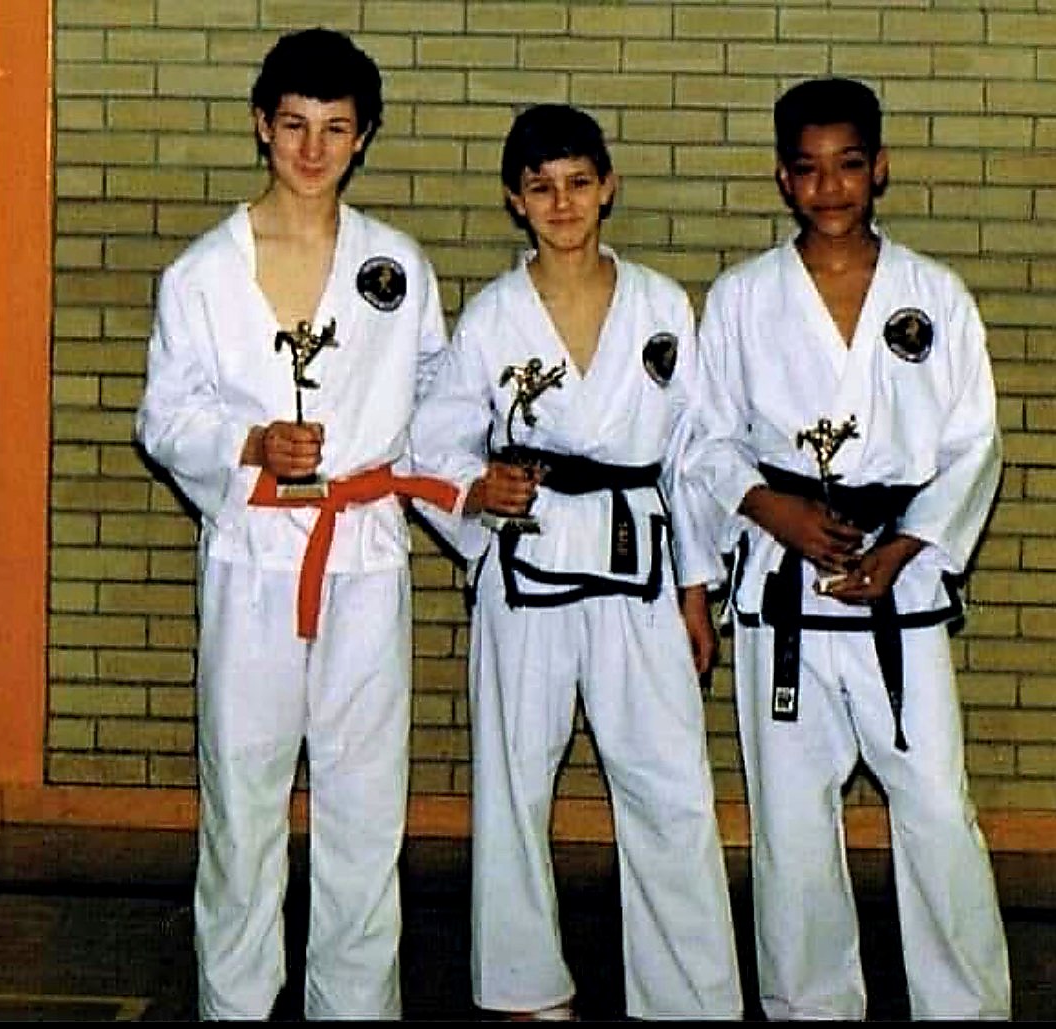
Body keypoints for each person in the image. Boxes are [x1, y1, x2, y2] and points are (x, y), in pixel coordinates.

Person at [134, 28, 456, 1020]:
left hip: (364, 554)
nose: (313, 149)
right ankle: (235, 1006)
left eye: (336, 129)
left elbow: (439, 404)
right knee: (243, 800)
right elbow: (163, 417)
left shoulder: (395, 267)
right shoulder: (202, 274)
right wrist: (249, 442)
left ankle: (354, 1007)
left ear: (363, 138)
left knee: (366, 807)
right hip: (254, 558)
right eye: (294, 126)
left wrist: (474, 493)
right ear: (260, 127)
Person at [409, 103, 743, 1021]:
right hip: (528, 561)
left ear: (608, 187)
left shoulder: (661, 305)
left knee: (669, 781)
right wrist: (477, 490)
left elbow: (693, 455)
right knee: (514, 778)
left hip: (640, 562)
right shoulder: (493, 315)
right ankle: (524, 988)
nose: (562, 204)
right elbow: (431, 444)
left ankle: (688, 997)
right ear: (514, 200)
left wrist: (697, 587)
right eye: (541, 187)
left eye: (578, 183)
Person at [689, 76, 1011, 1019]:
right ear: (782, 178)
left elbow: (974, 442)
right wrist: (770, 510)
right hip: (783, 578)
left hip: (898, 582)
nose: (829, 187)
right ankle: (810, 1005)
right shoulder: (743, 298)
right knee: (791, 816)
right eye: (808, 169)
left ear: (880, 169)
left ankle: (965, 1007)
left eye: (849, 165)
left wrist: (907, 544)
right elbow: (705, 439)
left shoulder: (934, 296)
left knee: (937, 806)